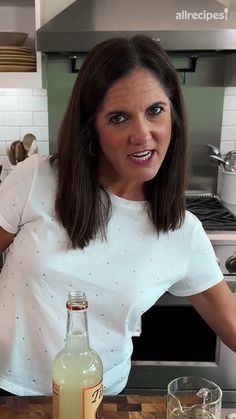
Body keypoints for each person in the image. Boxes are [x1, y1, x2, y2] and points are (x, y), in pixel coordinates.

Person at [0, 35, 235, 397]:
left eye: (155, 110)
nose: (143, 135)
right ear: (91, 127)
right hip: (6, 388)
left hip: (99, 398)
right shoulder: (35, 178)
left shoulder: (182, 232)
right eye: (119, 118)